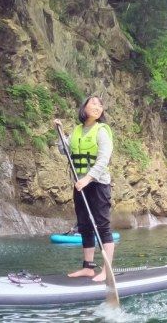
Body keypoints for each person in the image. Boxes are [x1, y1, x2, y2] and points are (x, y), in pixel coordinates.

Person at [54, 96, 115, 282]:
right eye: (93, 103)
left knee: (102, 226)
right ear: (85, 108)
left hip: (98, 183)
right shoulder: (77, 130)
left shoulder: (102, 131)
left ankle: (106, 270)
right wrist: (60, 133)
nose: (97, 107)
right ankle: (88, 268)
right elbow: (64, 151)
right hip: (80, 184)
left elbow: (103, 160)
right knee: (84, 225)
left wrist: (87, 179)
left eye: (100, 105)